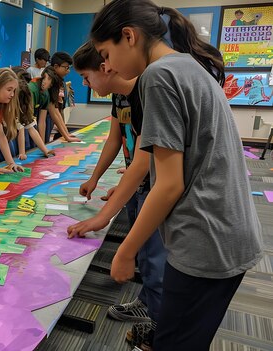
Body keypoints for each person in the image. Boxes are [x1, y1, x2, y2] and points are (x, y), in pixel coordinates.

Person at [81, 1, 263, 349]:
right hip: (228, 234)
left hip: (205, 241)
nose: (108, 65)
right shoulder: (186, 65)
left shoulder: (158, 76)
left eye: (106, 54)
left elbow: (168, 185)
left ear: (129, 36)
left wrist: (125, 252)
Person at [68, 40, 167, 347]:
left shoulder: (146, 92)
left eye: (87, 77)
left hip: (155, 188)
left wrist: (101, 218)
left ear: (105, 65)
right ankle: (148, 303)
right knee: (146, 256)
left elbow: (143, 159)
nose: (85, 84)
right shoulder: (119, 98)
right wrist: (96, 179)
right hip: (139, 185)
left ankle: (159, 324)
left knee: (157, 255)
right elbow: (115, 140)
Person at [11, 66, 55, 160]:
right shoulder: (31, 90)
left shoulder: (24, 97)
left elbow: (28, 128)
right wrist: (21, 152)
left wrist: (45, 150)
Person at [30, 67, 80, 145]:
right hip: (23, 125)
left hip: (30, 124)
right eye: (48, 79)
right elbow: (27, 122)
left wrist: (66, 135)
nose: (46, 83)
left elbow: (43, 121)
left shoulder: (46, 94)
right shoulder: (32, 89)